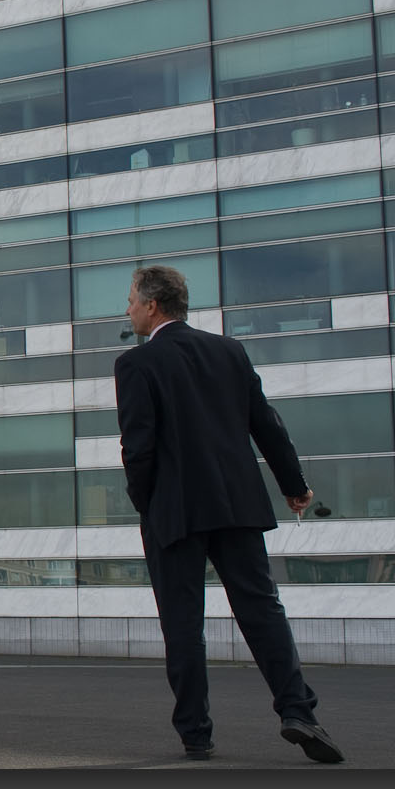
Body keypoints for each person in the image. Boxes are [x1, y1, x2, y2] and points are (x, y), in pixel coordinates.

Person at [115, 264, 343, 763]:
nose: (127, 308)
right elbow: (266, 423)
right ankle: (297, 709)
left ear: (152, 306)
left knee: (183, 623)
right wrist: (294, 485)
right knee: (261, 610)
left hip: (174, 512)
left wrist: (146, 505)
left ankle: (196, 732)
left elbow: (139, 449)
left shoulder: (137, 364)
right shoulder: (229, 351)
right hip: (237, 504)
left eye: (131, 300)